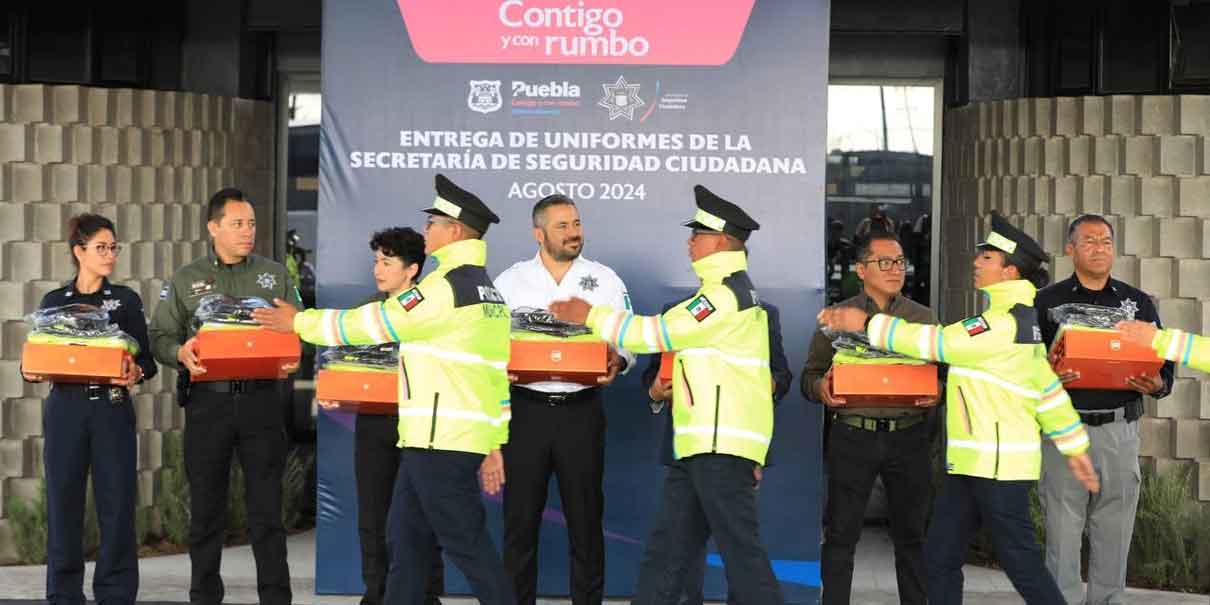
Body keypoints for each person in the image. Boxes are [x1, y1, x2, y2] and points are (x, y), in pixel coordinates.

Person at [252, 174, 514, 605]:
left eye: (433, 224)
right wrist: (495, 440)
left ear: (455, 231)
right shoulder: (487, 291)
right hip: (439, 441)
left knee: (469, 547)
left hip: (439, 445)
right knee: (406, 547)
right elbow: (495, 375)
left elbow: (374, 324)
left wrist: (299, 322)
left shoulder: (443, 289)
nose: (427, 231)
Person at [817, 212, 1100, 605]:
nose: (975, 262)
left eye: (986, 257)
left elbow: (937, 344)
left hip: (997, 469)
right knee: (939, 559)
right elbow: (1047, 390)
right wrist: (1075, 446)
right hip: (971, 466)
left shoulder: (1000, 325)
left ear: (1009, 271)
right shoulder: (1015, 320)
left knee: (1021, 563)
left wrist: (865, 322)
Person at [550, 185, 782, 605]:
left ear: (724, 242)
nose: (689, 241)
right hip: (699, 447)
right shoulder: (730, 292)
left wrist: (589, 315)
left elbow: (655, 333)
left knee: (742, 560)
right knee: (667, 554)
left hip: (720, 449)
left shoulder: (723, 296)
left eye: (699, 234)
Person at [149, 188, 300, 605]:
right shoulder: (185, 278)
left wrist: (293, 353)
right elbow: (160, 336)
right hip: (208, 404)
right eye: (237, 224)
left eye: (251, 223)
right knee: (206, 514)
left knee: (268, 514)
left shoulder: (273, 274)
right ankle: (204, 598)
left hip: (262, 402)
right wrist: (179, 353)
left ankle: (276, 599)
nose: (247, 231)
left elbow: (298, 325)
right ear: (213, 227)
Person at [493, 194, 633, 605]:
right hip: (525, 412)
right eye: (563, 226)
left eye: (576, 224)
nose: (574, 233)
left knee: (586, 524)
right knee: (519, 525)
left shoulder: (605, 280)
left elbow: (627, 336)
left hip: (581, 413)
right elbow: (488, 340)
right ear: (539, 234)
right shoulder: (510, 281)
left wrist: (619, 360)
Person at [1034, 214, 1173, 605]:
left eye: (1106, 241)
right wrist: (1047, 378)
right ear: (1070, 249)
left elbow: (1165, 364)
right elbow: (1027, 368)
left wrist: (1158, 383)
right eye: (1089, 240)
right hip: (1065, 431)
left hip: (1119, 430)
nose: (1099, 248)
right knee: (1062, 529)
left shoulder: (1138, 303)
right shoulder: (1046, 302)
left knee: (1114, 528)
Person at [22, 214, 156, 605]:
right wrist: (30, 369)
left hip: (111, 408)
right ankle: (63, 593)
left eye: (114, 247)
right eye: (101, 247)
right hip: (66, 409)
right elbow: (38, 354)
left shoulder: (126, 300)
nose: (110, 254)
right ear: (78, 251)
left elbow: (147, 360)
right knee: (63, 502)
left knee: (116, 504)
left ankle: (115, 593)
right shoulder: (53, 303)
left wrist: (136, 371)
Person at [314, 227, 445, 605]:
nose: (378, 269)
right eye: (376, 261)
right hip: (373, 425)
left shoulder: (433, 308)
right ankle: (377, 593)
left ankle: (426, 595)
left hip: (423, 425)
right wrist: (335, 391)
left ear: (412, 269)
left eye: (387, 262)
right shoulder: (367, 310)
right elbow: (339, 360)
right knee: (373, 515)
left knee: (424, 515)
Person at [804, 232, 937, 605]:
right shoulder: (837, 317)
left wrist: (938, 392)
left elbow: (942, 375)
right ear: (861, 269)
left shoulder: (921, 318)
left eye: (900, 262)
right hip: (853, 437)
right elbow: (809, 376)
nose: (896, 270)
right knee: (841, 537)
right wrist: (821, 390)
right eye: (885, 262)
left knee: (913, 538)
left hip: (908, 438)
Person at [639, 292, 792, 605]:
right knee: (674, 551)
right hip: (686, 449)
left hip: (736, 452)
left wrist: (761, 384)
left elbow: (781, 374)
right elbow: (652, 375)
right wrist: (656, 389)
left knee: (740, 552)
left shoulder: (762, 313)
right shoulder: (676, 311)